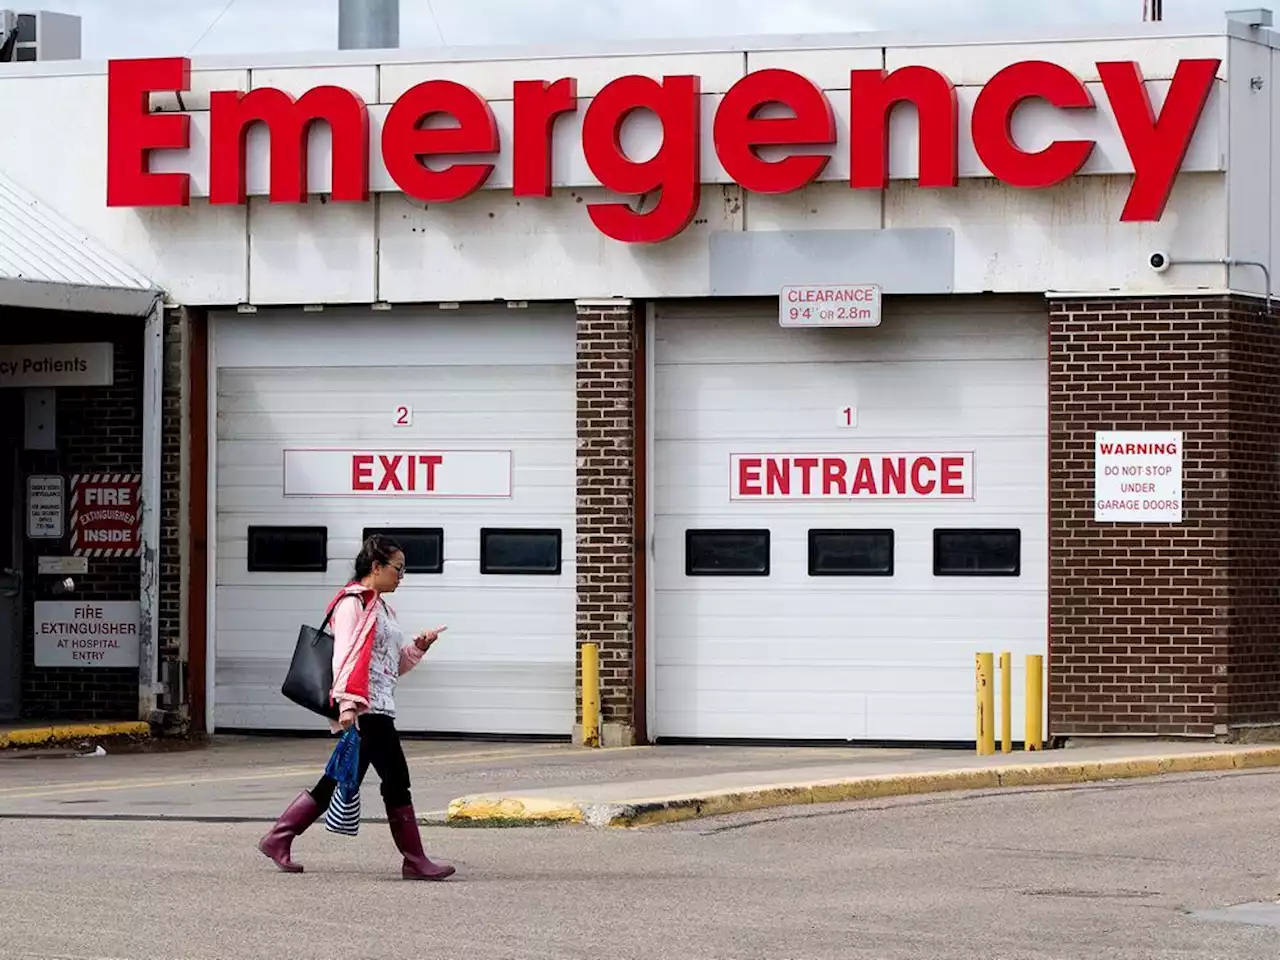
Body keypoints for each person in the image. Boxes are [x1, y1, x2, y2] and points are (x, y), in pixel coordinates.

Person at [258, 534, 456, 880]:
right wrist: (347, 706)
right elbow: (345, 656)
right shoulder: (352, 603)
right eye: (398, 568)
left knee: (336, 781)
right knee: (396, 780)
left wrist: (419, 647)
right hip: (365, 710)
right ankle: (415, 860)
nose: (402, 575)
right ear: (376, 567)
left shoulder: (381, 607)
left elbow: (390, 665)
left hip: (379, 705)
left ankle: (279, 837)